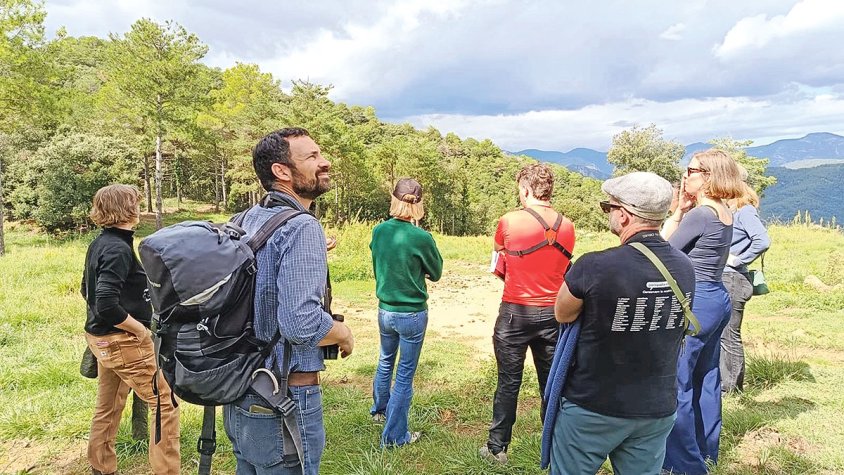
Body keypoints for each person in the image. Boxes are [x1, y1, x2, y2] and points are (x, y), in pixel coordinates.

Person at [222, 127, 355, 475]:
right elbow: (300, 325)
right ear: (282, 171)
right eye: (311, 156)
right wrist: (342, 332)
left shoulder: (245, 219)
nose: (324, 162)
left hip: (240, 390)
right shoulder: (301, 227)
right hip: (283, 397)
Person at [549, 172, 695, 475]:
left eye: (609, 207)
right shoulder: (684, 266)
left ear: (625, 216)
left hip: (593, 405)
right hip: (657, 407)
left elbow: (562, 313)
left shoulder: (594, 265)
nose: (609, 213)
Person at [480, 163, 575, 464]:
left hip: (515, 313)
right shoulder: (568, 225)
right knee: (552, 382)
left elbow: (498, 258)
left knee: (509, 381)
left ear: (525, 189)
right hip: (554, 313)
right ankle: (556, 446)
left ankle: (497, 448)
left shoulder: (508, 221)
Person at [81, 184, 180, 475]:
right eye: (136, 203)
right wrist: (140, 331)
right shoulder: (116, 249)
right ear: (127, 209)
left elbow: (85, 290)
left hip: (102, 339)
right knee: (164, 402)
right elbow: (107, 305)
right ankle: (167, 470)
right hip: (123, 341)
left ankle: (101, 465)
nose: (139, 208)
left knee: (109, 403)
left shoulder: (102, 242)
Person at [662, 149, 743, 475]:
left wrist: (677, 213)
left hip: (694, 303)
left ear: (708, 176)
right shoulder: (722, 211)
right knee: (707, 378)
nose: (686, 175)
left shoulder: (700, 215)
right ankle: (706, 450)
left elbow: (662, 252)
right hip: (717, 299)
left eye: (692, 170)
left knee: (678, 382)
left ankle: (682, 464)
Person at [369, 178, 443, 447]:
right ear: (419, 204)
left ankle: (380, 410)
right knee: (404, 375)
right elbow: (435, 273)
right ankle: (395, 436)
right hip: (412, 313)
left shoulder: (379, 231)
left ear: (393, 199)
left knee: (386, 359)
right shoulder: (422, 237)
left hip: (385, 310)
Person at [720, 181, 771, 393]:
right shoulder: (733, 211)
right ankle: (726, 384)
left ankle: (731, 389)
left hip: (733, 278)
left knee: (729, 334)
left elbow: (763, 241)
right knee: (724, 333)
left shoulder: (745, 211)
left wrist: (738, 260)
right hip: (729, 278)